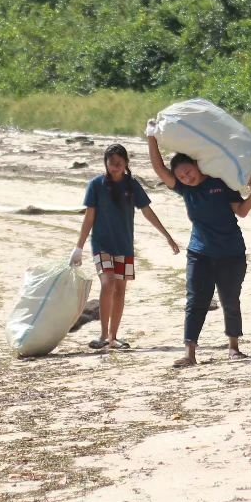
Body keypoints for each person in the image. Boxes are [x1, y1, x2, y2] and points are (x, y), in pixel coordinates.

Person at [147, 131, 251, 368]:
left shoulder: (220, 182)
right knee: (196, 300)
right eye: (180, 175)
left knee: (230, 299)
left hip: (231, 252)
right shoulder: (185, 190)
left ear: (198, 166)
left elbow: (241, 210)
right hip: (199, 253)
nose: (185, 177)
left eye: (188, 171)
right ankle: (190, 353)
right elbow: (159, 169)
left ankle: (233, 348)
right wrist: (152, 138)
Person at [72, 144, 180, 350]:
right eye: (111, 164)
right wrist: (79, 247)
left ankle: (113, 337)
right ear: (105, 163)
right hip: (102, 245)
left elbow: (147, 211)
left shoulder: (132, 186)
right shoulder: (96, 185)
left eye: (119, 164)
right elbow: (89, 218)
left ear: (126, 164)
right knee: (108, 282)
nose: (115, 168)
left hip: (124, 246)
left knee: (120, 290)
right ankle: (103, 335)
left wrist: (167, 236)